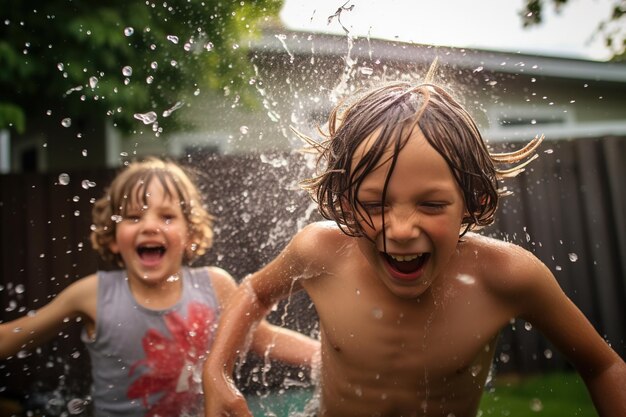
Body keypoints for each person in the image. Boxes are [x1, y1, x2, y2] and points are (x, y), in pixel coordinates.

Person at [202, 80, 626, 417]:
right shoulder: (322, 250)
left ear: (473, 201)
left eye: (431, 204)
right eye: (373, 204)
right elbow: (255, 292)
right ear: (345, 204)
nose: (401, 230)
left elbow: (604, 365)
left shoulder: (506, 276)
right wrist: (216, 373)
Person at [0, 157, 320, 417]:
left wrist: (323, 355)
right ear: (113, 238)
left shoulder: (214, 285)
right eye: (133, 217)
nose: (150, 225)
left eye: (167, 217)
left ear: (191, 235)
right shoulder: (94, 294)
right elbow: (19, 333)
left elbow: (262, 338)